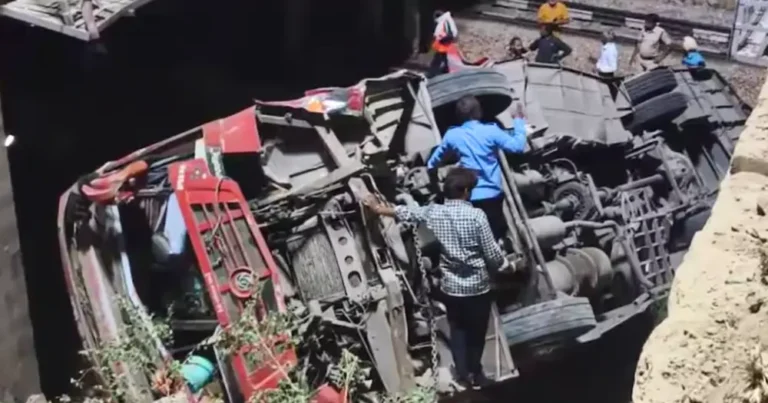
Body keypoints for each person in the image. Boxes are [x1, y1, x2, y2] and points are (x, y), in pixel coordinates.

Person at [362, 167, 510, 390]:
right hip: (477, 288)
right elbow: (492, 254)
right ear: (466, 192)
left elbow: (406, 213)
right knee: (477, 333)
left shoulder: (435, 212)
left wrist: (377, 208)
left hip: (451, 289)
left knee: (458, 331)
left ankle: (462, 375)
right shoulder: (477, 216)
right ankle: (476, 373)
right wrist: (506, 264)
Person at [427, 96, 528, 240]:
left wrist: (434, 179)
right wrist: (518, 121)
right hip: (493, 196)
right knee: (495, 234)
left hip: (469, 198)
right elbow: (517, 146)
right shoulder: (491, 131)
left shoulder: (452, 135)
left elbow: (432, 163)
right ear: (479, 112)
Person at [429, 10, 459, 77]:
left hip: (443, 43)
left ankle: (432, 74)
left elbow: (443, 32)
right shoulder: (447, 19)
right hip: (445, 43)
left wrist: (439, 38)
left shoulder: (444, 21)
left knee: (437, 59)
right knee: (444, 58)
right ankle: (445, 70)